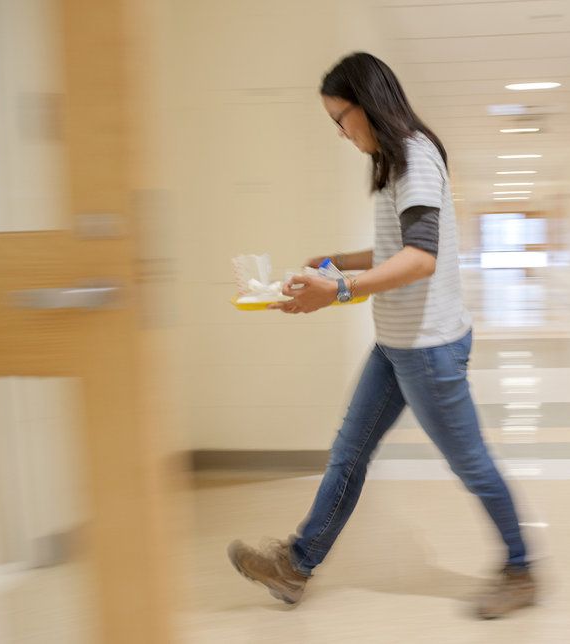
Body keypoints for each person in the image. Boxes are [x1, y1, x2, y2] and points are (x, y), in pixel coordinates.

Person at [227, 52, 535, 620]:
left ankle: (521, 568)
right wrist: (335, 262)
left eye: (340, 118)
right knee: (348, 453)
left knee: (471, 464)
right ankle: (296, 566)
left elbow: (420, 260)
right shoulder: (397, 162)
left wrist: (337, 291)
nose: (340, 133)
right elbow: (400, 250)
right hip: (397, 346)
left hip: (429, 350)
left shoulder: (415, 157)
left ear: (367, 105)